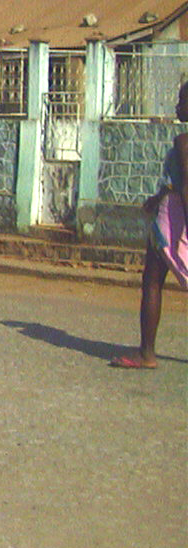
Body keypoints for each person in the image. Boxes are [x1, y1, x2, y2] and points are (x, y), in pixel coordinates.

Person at [113, 80, 188, 369]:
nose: (177, 106)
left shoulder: (183, 141)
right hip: (171, 207)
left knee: (152, 282)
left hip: (173, 220)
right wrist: (157, 196)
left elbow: (185, 188)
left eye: (182, 100)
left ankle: (147, 353)